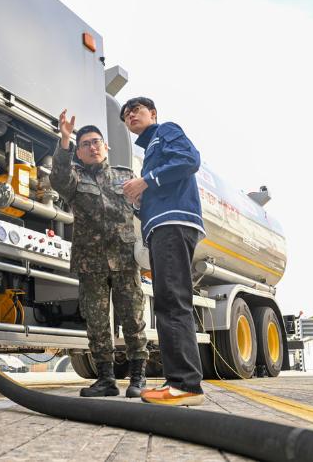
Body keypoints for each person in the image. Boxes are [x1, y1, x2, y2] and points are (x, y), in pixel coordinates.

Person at [50, 109, 148, 398]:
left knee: (133, 318)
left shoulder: (126, 177)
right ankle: (106, 380)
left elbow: (144, 208)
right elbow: (58, 178)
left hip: (124, 259)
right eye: (85, 144)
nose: (92, 147)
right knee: (96, 321)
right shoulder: (74, 179)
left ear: (107, 147)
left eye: (96, 142)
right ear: (78, 153)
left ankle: (138, 378)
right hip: (90, 262)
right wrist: (65, 139)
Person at [120, 97, 205, 406]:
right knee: (168, 302)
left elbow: (189, 160)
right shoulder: (149, 151)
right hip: (161, 226)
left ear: (153, 114)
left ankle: (185, 386)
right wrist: (140, 203)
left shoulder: (165, 131)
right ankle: (181, 383)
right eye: (126, 114)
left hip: (173, 224)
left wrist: (145, 181)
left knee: (171, 303)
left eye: (136, 110)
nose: (130, 115)